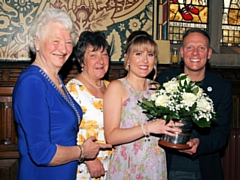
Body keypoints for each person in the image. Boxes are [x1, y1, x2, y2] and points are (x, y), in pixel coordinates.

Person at [12, 8, 111, 180]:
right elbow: (42, 153)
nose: (63, 49)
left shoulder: (55, 79)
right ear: (37, 42)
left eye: (67, 42)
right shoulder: (32, 82)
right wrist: (83, 152)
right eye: (55, 41)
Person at [103, 31, 182, 180]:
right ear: (127, 58)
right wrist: (148, 128)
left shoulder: (157, 89)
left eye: (150, 55)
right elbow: (111, 137)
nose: (145, 60)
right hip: (128, 164)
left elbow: (162, 128)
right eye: (138, 54)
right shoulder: (117, 87)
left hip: (155, 163)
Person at [156, 28, 232, 180]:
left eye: (201, 48)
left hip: (203, 169)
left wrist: (200, 143)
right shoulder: (164, 80)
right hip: (166, 168)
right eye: (190, 47)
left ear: (209, 53)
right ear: (182, 52)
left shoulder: (221, 87)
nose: (195, 53)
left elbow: (222, 135)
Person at [66, 31, 113, 180]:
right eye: (93, 55)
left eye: (104, 54)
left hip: (114, 166)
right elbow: (65, 134)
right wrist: (89, 160)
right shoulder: (73, 89)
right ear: (81, 61)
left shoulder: (113, 87)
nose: (100, 61)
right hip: (86, 169)